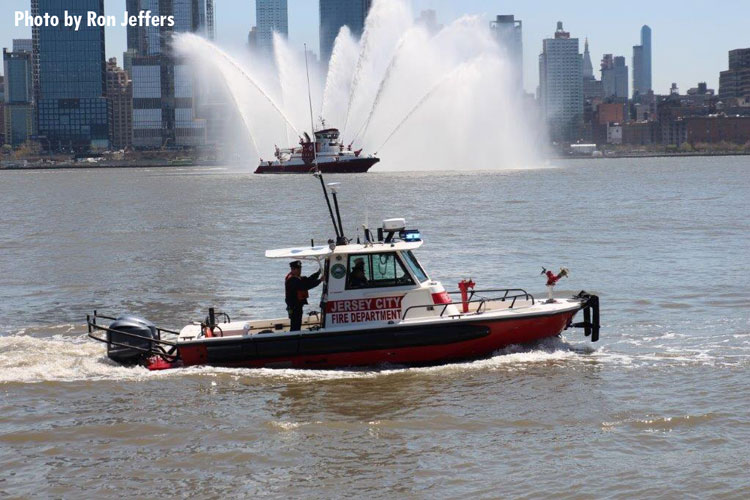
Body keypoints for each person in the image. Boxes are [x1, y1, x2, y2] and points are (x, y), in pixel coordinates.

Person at [285, 260, 322, 331]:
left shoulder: (297, 277)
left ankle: (295, 334)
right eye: (298, 269)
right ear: (293, 269)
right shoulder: (292, 280)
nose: (300, 271)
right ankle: (294, 336)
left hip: (297, 305)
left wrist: (318, 273)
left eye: (300, 269)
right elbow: (306, 286)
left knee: (297, 322)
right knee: (295, 323)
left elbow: (308, 280)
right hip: (294, 306)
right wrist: (320, 281)